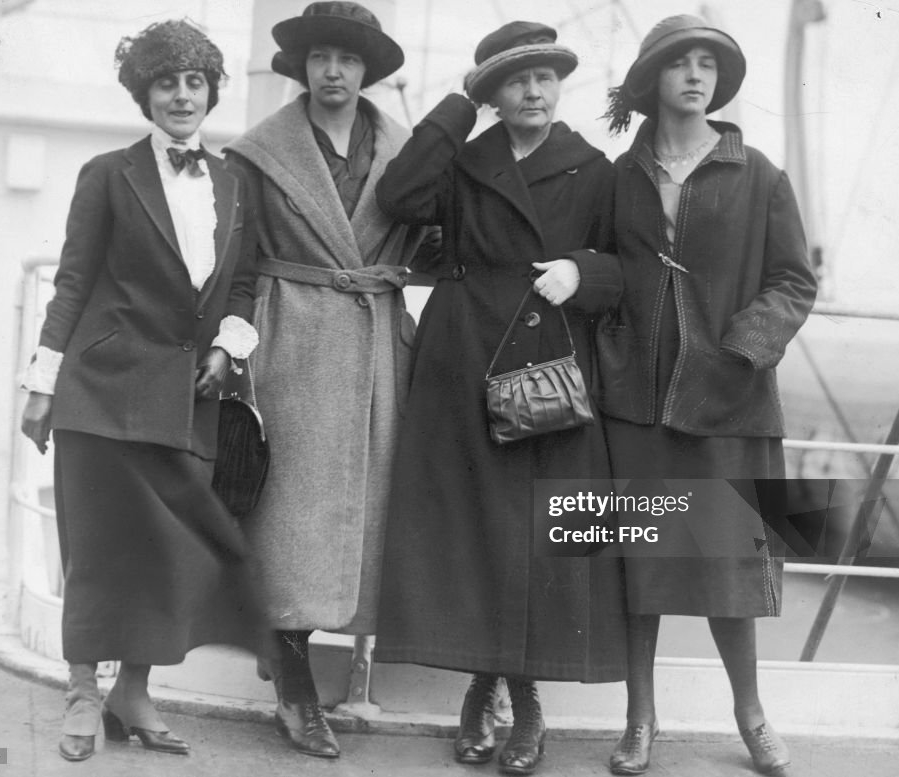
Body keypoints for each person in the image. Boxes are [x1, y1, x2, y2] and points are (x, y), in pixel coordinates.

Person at [374, 22, 626, 776]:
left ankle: (525, 698)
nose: (535, 91)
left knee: (532, 529)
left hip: (545, 361)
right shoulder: (463, 159)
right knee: (470, 523)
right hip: (460, 355)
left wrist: (583, 271)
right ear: (490, 93)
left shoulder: (594, 168)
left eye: (546, 77)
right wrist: (456, 108)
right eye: (516, 80)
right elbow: (400, 194)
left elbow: (627, 267)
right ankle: (481, 685)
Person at [19, 20, 258, 762]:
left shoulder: (234, 182)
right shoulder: (107, 174)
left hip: (188, 396)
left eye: (194, 82)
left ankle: (134, 690)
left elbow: (243, 284)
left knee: (169, 552)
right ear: (144, 94)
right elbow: (70, 286)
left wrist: (228, 344)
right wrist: (41, 385)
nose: (182, 96)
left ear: (211, 92)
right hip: (102, 391)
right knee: (97, 546)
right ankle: (85, 691)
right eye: (166, 82)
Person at [598, 15, 817, 776]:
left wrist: (745, 345)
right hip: (638, 396)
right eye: (680, 63)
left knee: (731, 562)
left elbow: (794, 280)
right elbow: (599, 270)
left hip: (730, 395)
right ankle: (639, 719)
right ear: (652, 77)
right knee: (638, 561)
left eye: (708, 64)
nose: (696, 76)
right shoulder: (618, 175)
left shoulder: (758, 173)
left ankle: (751, 715)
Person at [224, 1, 434, 759]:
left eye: (347, 59)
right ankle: (293, 679)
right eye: (320, 58)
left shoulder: (408, 151)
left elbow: (438, 241)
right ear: (301, 67)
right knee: (290, 510)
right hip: (292, 338)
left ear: (368, 69)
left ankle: (306, 660)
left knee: (359, 510)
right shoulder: (260, 150)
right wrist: (237, 344)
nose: (333, 72)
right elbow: (238, 262)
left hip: (376, 338)